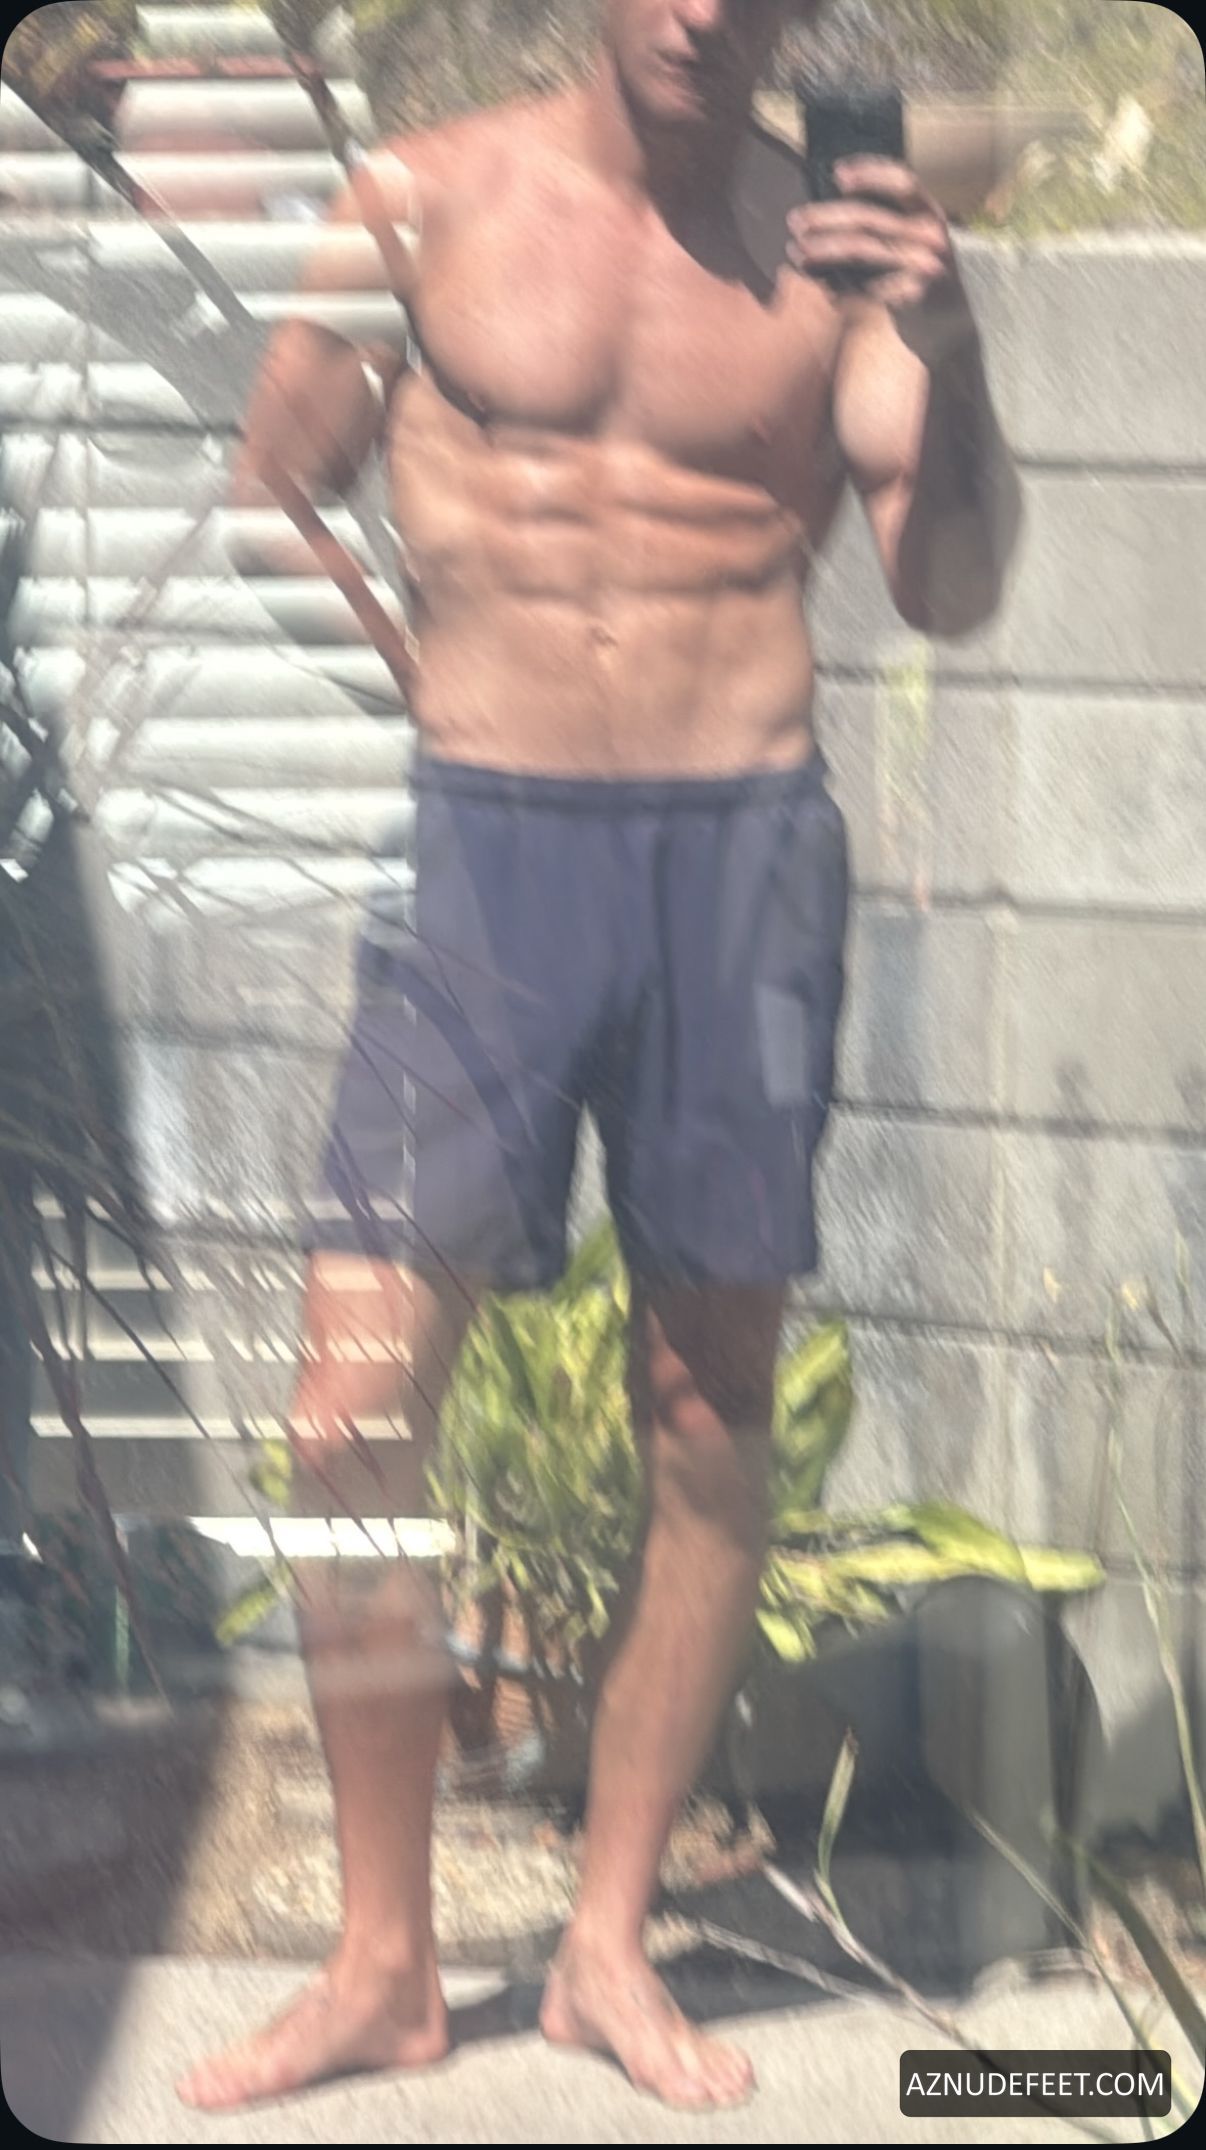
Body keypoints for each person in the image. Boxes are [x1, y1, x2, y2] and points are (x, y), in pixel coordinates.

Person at [178, 0, 1020, 2112]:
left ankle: (606, 1943)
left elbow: (949, 583)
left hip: (742, 858)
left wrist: (954, 336)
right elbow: (276, 484)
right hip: (487, 857)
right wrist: (429, 680)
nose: (696, 13)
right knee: (348, 1413)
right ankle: (381, 1959)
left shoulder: (840, 251)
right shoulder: (418, 198)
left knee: (708, 1411)